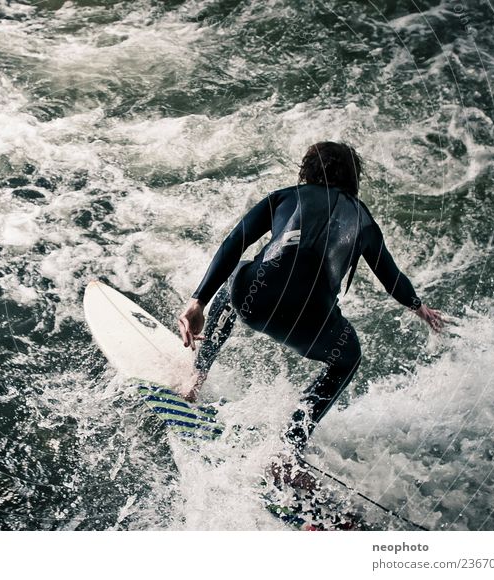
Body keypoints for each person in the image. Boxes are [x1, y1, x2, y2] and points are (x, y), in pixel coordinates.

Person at [177, 141, 444, 459]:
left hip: (254, 299)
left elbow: (236, 241)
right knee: (348, 358)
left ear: (307, 171)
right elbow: (391, 277)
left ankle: (197, 377)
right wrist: (419, 306)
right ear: (353, 180)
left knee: (235, 277)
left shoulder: (285, 196)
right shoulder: (365, 223)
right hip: (311, 323)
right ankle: (288, 451)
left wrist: (198, 302)